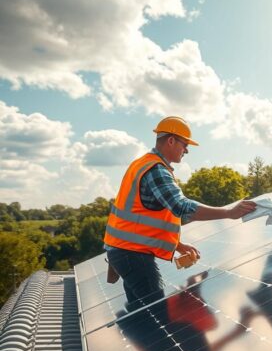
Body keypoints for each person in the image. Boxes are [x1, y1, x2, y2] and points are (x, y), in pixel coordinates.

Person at [103, 116, 257, 311]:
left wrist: (178, 245)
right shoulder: (156, 170)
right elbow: (182, 207)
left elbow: (140, 219)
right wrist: (228, 212)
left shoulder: (142, 163)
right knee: (158, 316)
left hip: (123, 252)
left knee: (142, 316)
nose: (187, 150)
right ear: (171, 140)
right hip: (133, 255)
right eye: (185, 144)